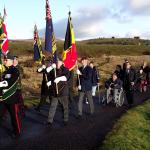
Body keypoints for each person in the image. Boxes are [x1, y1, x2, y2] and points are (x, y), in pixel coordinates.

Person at [0, 54, 21, 138]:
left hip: (12, 98)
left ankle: (17, 132)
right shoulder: (5, 71)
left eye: (6, 60)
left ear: (11, 61)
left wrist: (1, 84)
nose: (4, 61)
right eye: (4, 60)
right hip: (4, 98)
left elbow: (10, 82)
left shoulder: (15, 71)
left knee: (14, 116)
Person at [46, 59, 70, 126]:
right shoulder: (54, 70)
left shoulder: (65, 69)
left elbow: (66, 77)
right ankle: (49, 121)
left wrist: (59, 78)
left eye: (59, 62)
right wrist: (50, 82)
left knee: (65, 107)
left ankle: (65, 119)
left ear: (62, 62)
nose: (57, 63)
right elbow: (47, 74)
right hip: (55, 91)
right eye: (56, 62)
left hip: (63, 91)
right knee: (52, 106)